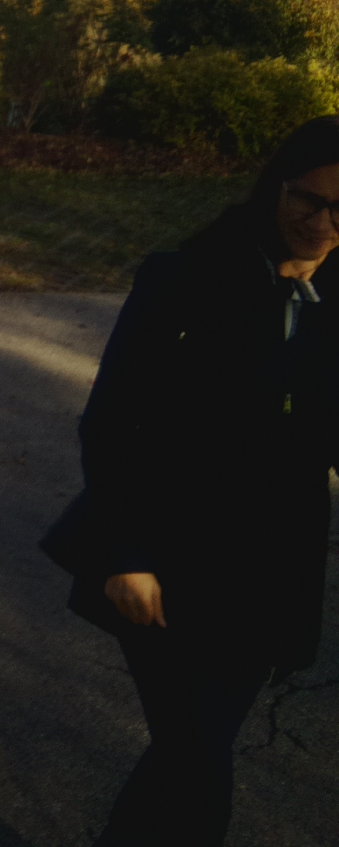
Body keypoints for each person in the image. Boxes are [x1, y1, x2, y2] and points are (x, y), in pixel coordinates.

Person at [41, 115, 339, 847]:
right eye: (309, 199)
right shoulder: (187, 278)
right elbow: (110, 423)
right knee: (197, 753)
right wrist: (125, 553)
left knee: (188, 751)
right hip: (165, 560)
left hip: (272, 570)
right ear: (276, 186)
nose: (322, 223)